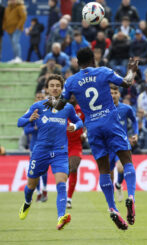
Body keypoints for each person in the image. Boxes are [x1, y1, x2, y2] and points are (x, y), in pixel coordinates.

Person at [43, 47, 139, 230]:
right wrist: (132, 70)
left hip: (93, 127)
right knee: (127, 160)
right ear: (94, 59)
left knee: (103, 169)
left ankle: (112, 207)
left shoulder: (71, 81)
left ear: (77, 63)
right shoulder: (103, 71)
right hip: (111, 122)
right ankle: (131, 196)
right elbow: (127, 82)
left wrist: (49, 102)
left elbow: (60, 104)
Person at [17, 74, 83, 230]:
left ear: (61, 88)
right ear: (47, 89)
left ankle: (61, 217)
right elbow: (20, 121)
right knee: (31, 186)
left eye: (57, 86)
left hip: (60, 152)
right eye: (52, 85)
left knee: (61, 184)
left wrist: (75, 126)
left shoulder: (67, 107)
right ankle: (27, 202)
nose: (55, 88)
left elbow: (79, 121)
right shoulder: (38, 106)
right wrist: (29, 119)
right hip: (40, 151)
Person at [110, 84, 138, 202]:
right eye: (111, 93)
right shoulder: (102, 109)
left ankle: (119, 184)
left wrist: (135, 134)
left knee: (121, 168)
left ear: (119, 94)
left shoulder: (126, 109)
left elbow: (135, 121)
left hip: (121, 142)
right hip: (107, 145)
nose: (113, 95)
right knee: (109, 172)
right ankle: (114, 190)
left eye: (115, 93)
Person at [23, 92, 48, 202]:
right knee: (35, 170)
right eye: (38, 98)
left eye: (42, 98)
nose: (40, 99)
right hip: (34, 146)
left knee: (45, 170)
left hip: (46, 144)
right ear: (35, 99)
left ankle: (45, 190)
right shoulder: (31, 112)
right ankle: (38, 192)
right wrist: (35, 129)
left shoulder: (49, 112)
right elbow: (26, 130)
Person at [66, 95, 85, 209]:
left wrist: (85, 134)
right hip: (62, 144)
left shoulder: (82, 109)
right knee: (64, 172)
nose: (72, 95)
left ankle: (69, 199)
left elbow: (88, 123)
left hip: (76, 145)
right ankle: (63, 196)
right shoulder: (61, 108)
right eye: (70, 93)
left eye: (75, 93)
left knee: (73, 168)